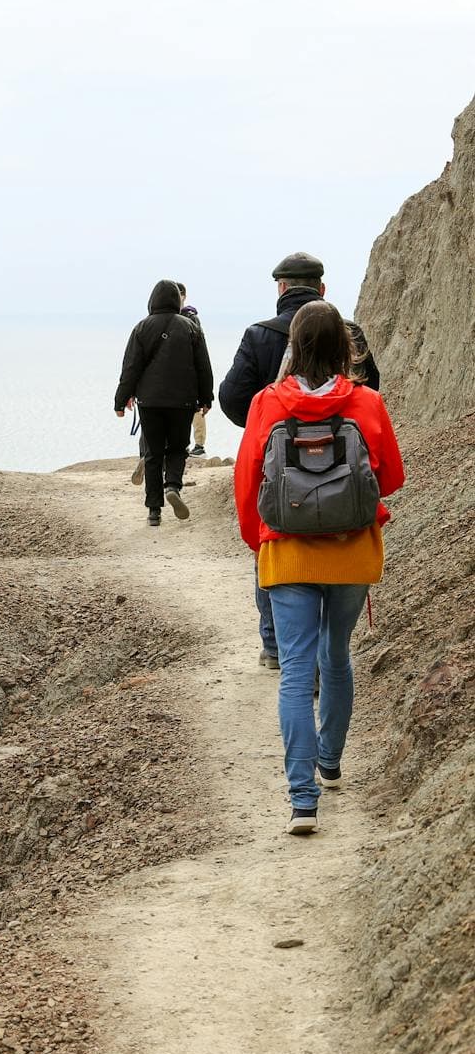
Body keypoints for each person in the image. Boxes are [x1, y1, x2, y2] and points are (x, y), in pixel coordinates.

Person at [232, 301, 403, 835]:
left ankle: (302, 800)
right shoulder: (367, 402)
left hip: (287, 551)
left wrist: (260, 541)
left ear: (293, 347)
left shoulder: (267, 403)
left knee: (296, 671)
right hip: (351, 552)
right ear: (345, 348)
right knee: (336, 656)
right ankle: (330, 762)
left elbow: (247, 480)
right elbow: (392, 477)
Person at [218, 252, 383, 669]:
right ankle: (325, 654)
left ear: (281, 289)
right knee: (335, 553)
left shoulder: (259, 335)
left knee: (273, 542)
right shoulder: (349, 333)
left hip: (279, 468)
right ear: (322, 288)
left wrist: (266, 426)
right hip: (342, 467)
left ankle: (276, 645)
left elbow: (232, 397)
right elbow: (372, 392)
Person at [115, 280, 214, 526]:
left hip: (149, 401)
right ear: (177, 300)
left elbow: (131, 367)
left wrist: (121, 399)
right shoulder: (191, 327)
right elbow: (203, 365)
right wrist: (207, 397)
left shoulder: (141, 328)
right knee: (178, 448)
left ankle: (154, 510)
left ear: (152, 300)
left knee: (153, 453)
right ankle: (172, 486)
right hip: (183, 400)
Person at [176, 282, 208, 456]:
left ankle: (199, 445)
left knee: (196, 411)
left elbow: (200, 349)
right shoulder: (168, 316)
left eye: (179, 293)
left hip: (191, 372)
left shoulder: (191, 317)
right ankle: (182, 443)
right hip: (177, 373)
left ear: (184, 296)